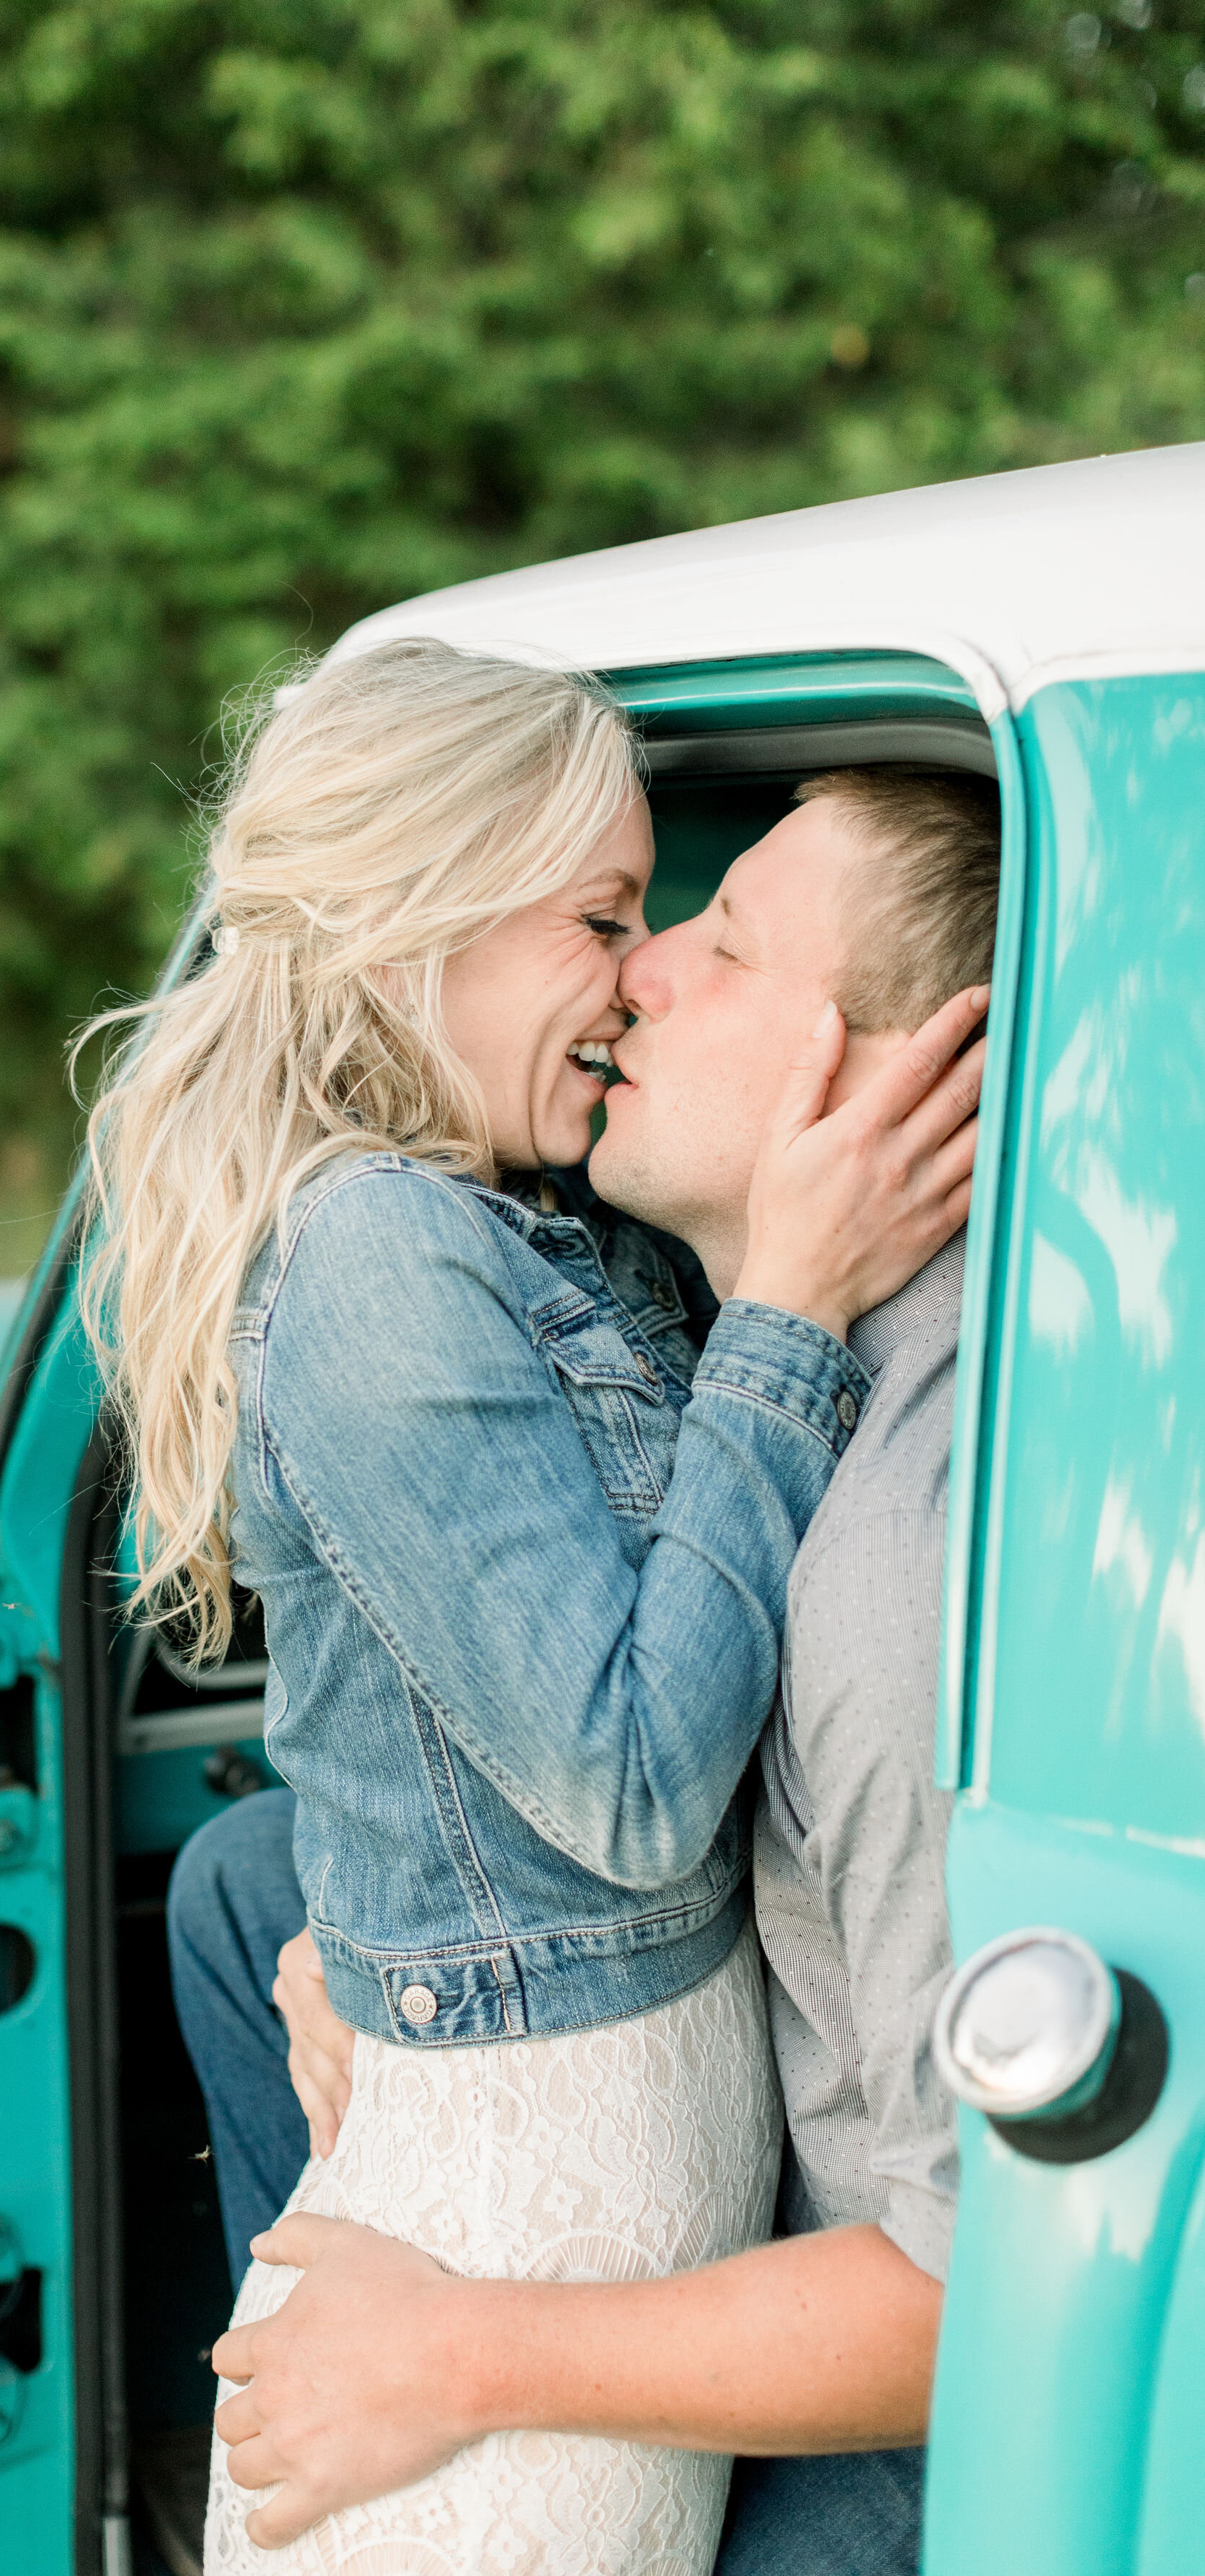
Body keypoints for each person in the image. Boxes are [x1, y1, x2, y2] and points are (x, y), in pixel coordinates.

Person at [81, 642, 982, 2576]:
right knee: (253, 1889)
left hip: (880, 2354)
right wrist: (365, 1923)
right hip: (653, 2084)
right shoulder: (472, 1242)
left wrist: (467, 2355)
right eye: (613, 916)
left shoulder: (902, 1544)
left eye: (707, 935)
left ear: (892, 1069)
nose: (643, 968)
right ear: (426, 919)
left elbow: (969, 2276)